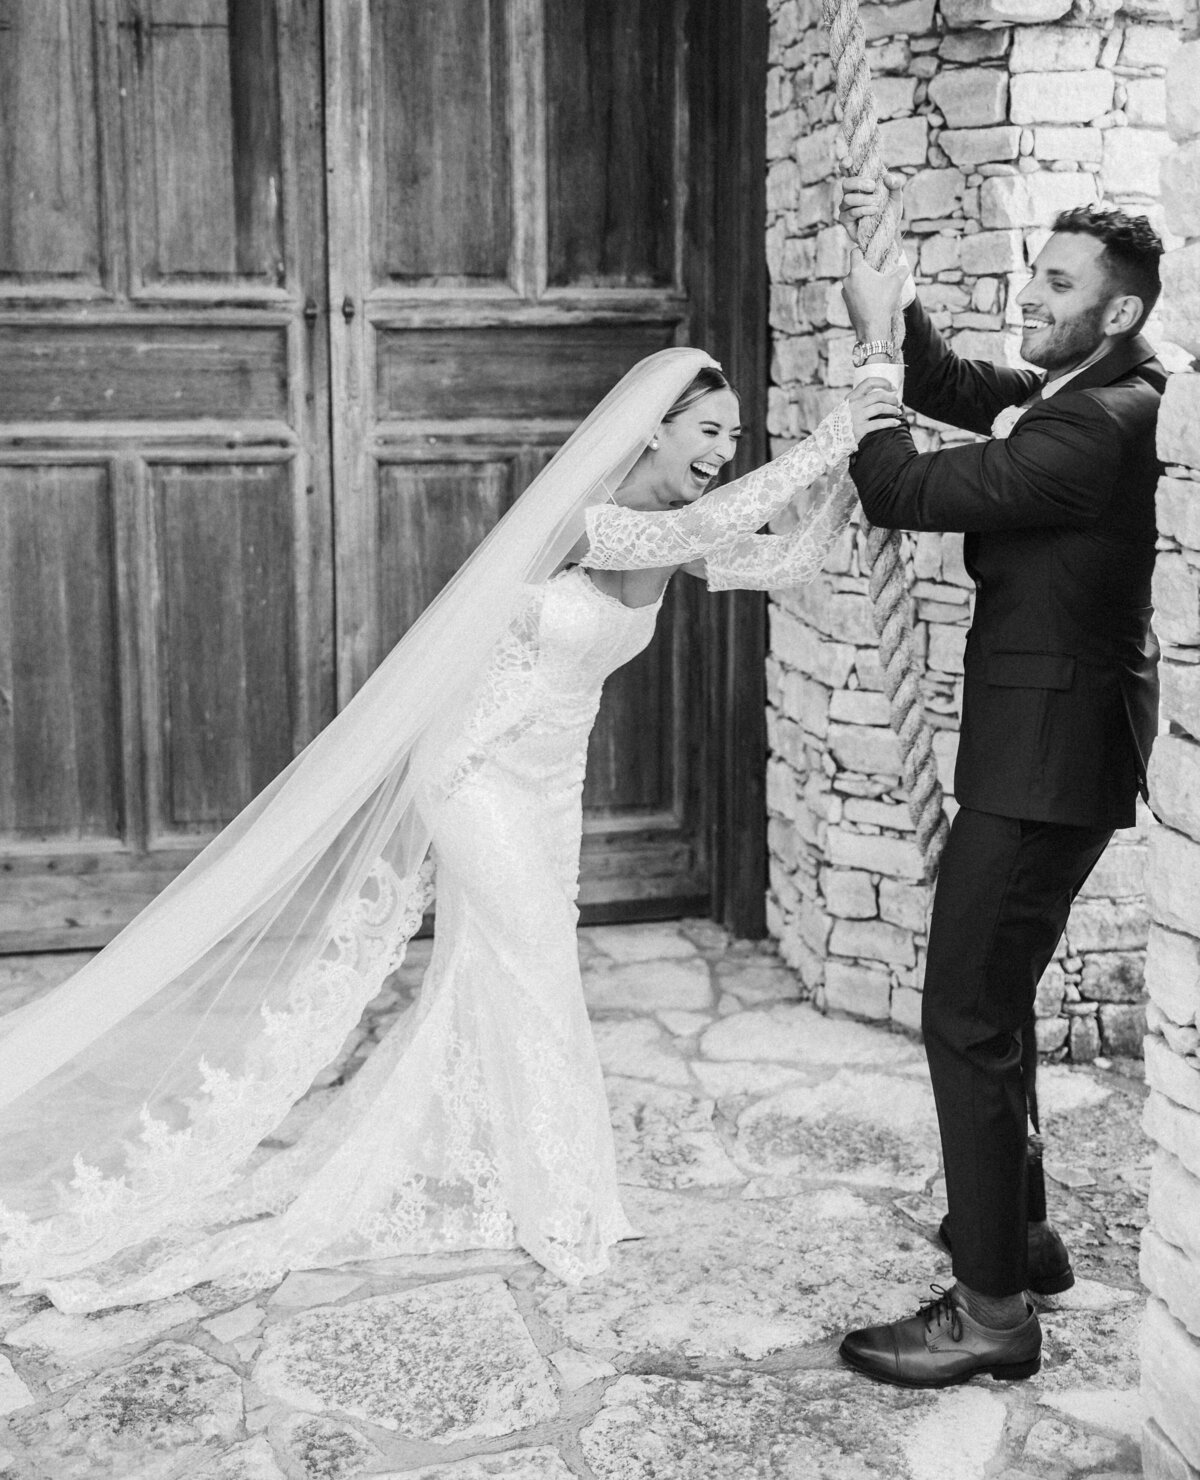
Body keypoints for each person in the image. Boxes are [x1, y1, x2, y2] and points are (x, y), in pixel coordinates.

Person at [0, 346, 899, 1311]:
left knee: (499, 966)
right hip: (474, 771)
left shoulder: (671, 536)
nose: (723, 450)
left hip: (550, 781)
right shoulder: (590, 523)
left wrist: (864, 463)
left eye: (733, 437)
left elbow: (782, 553)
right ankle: (562, 1201)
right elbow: (719, 518)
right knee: (538, 960)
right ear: (651, 429)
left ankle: (512, 1169)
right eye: (709, 431)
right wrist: (847, 416)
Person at [834, 185, 1166, 1388]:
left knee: (964, 1015)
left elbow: (902, 489)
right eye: (1037, 273)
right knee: (996, 1003)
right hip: (1052, 746)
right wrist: (898, 303)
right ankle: (1019, 1239)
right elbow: (965, 396)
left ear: (1117, 309)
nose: (1030, 294)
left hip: (1046, 761)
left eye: (1057, 284)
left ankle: (988, 1316)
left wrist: (873, 360)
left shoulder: (1097, 425)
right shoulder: (1089, 389)